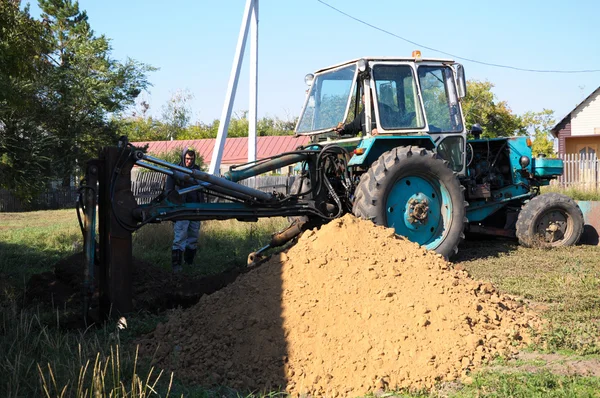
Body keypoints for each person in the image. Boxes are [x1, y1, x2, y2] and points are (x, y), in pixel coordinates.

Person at [166, 148, 204, 273]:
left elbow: (202, 189)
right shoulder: (175, 171)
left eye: (191, 159)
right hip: (181, 208)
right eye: (187, 159)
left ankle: (189, 263)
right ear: (183, 158)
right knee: (180, 237)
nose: (189, 161)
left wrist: (202, 206)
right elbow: (169, 191)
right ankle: (176, 266)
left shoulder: (197, 171)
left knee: (193, 236)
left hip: (195, 208)